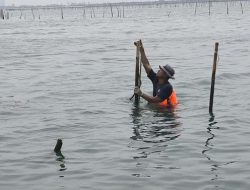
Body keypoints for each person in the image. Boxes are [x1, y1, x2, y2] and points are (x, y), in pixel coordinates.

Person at [134, 41, 178, 107]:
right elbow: (146, 65)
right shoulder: (156, 79)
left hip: (166, 111)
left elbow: (155, 100)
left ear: (165, 75)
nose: (158, 70)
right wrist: (141, 49)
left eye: (161, 70)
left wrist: (141, 93)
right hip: (157, 108)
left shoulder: (168, 87)